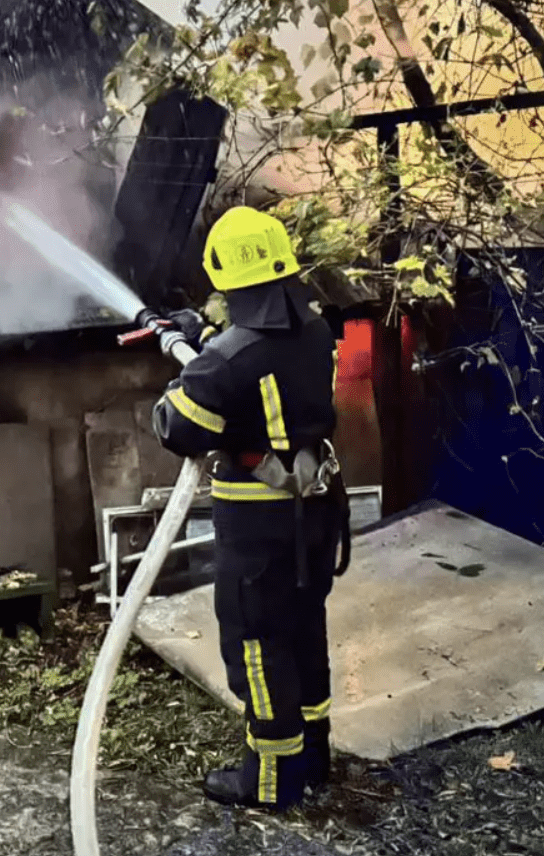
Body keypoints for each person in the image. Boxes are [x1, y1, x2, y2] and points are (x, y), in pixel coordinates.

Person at [152, 207, 351, 812]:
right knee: (303, 629)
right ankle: (314, 758)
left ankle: (269, 782)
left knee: (258, 646)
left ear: (223, 275)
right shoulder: (316, 331)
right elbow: (264, 375)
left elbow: (176, 427)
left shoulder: (226, 361)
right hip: (315, 515)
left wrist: (185, 375)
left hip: (259, 529)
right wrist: (206, 347)